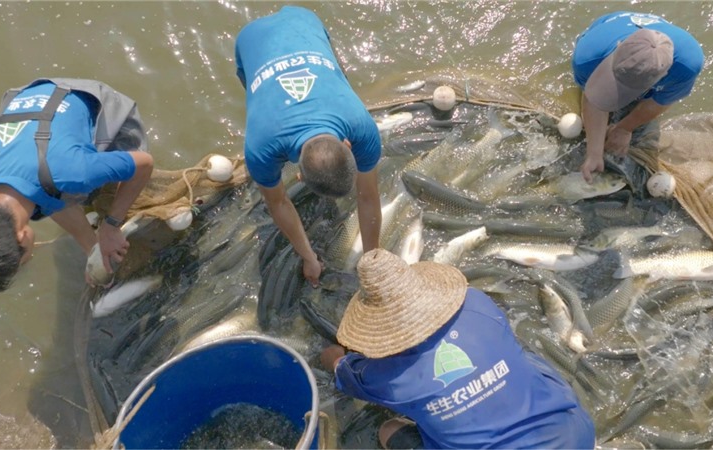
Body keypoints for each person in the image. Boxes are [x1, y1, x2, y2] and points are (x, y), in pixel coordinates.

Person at [320, 249, 595, 449]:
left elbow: (339, 367)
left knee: (389, 430)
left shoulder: (385, 375)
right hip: (575, 438)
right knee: (521, 357)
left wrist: (335, 357)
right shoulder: (478, 302)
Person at [235, 6, 382, 287]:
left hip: (305, 20)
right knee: (256, 95)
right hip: (249, 40)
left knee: (339, 76)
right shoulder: (260, 148)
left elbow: (367, 197)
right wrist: (309, 257)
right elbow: (278, 202)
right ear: (298, 175)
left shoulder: (362, 125)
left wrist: (372, 259)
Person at [0, 78, 154, 292]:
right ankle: (93, 247)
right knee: (43, 190)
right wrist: (93, 247)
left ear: (22, 236)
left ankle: (103, 231)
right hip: (29, 97)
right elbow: (43, 191)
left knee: (92, 186)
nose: (26, 262)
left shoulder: (74, 172)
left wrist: (111, 225)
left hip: (89, 98)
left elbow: (144, 164)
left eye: (22, 261)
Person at [572, 12, 704, 183]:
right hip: (608, 29)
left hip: (662, 42)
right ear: (619, 46)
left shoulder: (687, 65)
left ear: (665, 74)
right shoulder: (587, 58)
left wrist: (625, 128)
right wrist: (594, 153)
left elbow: (660, 101)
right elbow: (593, 99)